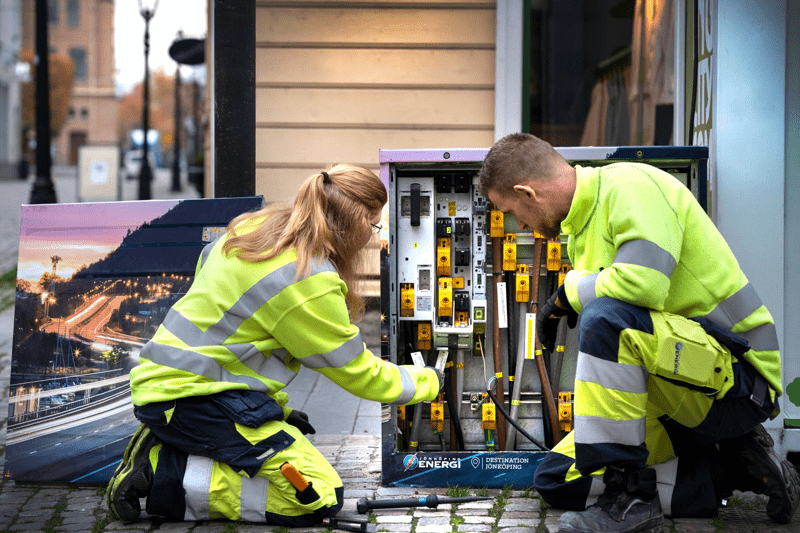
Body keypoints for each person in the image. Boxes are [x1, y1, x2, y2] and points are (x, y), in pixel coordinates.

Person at [477, 133, 799, 533]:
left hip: (738, 383)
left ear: (528, 191)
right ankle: (730, 468)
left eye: (513, 212)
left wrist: (568, 293)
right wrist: (576, 294)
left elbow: (642, 286)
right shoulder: (580, 229)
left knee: (607, 318)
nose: (519, 225)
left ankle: (631, 499)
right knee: (558, 480)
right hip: (673, 386)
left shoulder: (632, 188)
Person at [107, 164, 444, 526]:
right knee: (315, 496)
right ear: (356, 221)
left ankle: (175, 446)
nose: (374, 237)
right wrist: (428, 381)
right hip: (190, 399)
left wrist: (274, 409)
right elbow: (359, 373)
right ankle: (162, 473)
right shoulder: (306, 280)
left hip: (177, 386)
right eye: (374, 225)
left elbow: (238, 340)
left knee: (286, 444)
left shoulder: (256, 229)